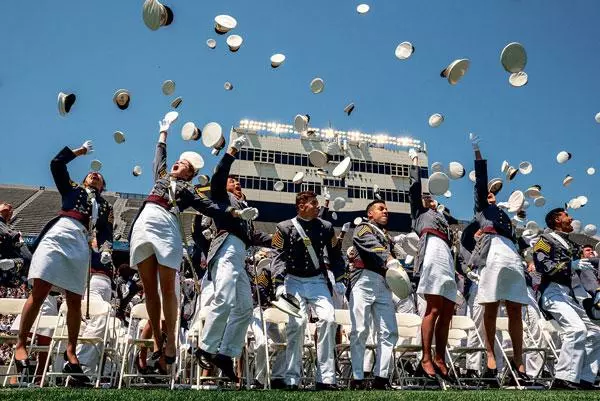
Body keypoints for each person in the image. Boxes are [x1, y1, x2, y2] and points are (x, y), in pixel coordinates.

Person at [129, 118, 254, 375]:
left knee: (168, 290)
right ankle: (157, 343)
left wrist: (236, 213)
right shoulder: (161, 176)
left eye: (185, 164)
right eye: (180, 161)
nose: (178, 163)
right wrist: (163, 132)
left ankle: (172, 343)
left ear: (190, 174)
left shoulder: (190, 190)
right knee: (149, 291)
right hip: (145, 221)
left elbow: (210, 207)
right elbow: (159, 158)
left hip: (168, 224)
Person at [15, 141, 113, 383]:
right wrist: (78, 152)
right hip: (60, 232)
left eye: (99, 177)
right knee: (40, 290)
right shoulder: (72, 189)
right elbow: (56, 163)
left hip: (81, 240)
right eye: (92, 174)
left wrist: (107, 249)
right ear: (85, 180)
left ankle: (71, 354)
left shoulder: (105, 205)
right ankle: (20, 345)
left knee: (74, 300)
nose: (94, 176)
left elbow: (106, 232)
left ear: (103, 186)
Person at [196, 136, 271, 381]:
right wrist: (232, 150)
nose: (236, 183)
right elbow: (219, 175)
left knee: (245, 308)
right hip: (226, 246)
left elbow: (254, 236)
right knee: (225, 298)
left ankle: (226, 354)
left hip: (240, 254)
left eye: (239, 183)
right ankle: (206, 348)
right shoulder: (219, 195)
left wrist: (281, 239)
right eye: (233, 181)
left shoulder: (244, 208)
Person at [467, 134, 529, 382]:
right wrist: (477, 154)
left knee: (515, 309)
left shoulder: (505, 215)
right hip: (491, 253)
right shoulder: (483, 208)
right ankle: (490, 358)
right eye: (488, 194)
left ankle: (520, 364)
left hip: (510, 254)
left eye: (494, 194)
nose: (491, 195)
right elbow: (481, 183)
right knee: (490, 307)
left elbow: (519, 240)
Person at [271, 191, 346, 390]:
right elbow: (277, 257)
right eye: (313, 203)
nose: (318, 206)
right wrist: (278, 283)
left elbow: (336, 255)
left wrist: (339, 279)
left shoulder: (326, 227)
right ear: (301, 206)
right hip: (293, 280)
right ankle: (292, 378)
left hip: (317, 280)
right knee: (296, 323)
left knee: (329, 319)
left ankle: (326, 378)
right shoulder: (284, 227)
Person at [533, 208, 600, 389]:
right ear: (557, 219)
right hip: (552, 291)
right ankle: (563, 377)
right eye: (566, 215)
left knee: (595, 332)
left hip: (569, 294)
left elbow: (590, 264)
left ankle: (585, 378)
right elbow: (543, 264)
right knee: (576, 329)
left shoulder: (570, 244)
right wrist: (570, 265)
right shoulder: (544, 239)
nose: (571, 219)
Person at [407, 148, 457, 382]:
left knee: (447, 313)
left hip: (447, 258)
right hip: (432, 255)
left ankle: (440, 357)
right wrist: (415, 164)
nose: (429, 199)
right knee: (434, 309)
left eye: (431, 197)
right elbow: (415, 189)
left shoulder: (444, 219)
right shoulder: (419, 213)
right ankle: (426, 357)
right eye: (425, 198)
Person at [349, 199, 399, 389]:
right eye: (381, 208)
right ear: (370, 213)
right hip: (364, 279)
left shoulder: (386, 235)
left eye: (386, 209)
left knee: (389, 331)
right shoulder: (363, 227)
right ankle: (357, 377)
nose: (386, 211)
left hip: (383, 281)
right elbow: (369, 244)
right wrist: (389, 258)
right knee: (360, 330)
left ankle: (382, 377)